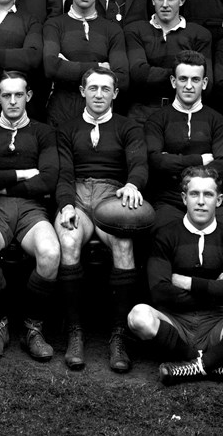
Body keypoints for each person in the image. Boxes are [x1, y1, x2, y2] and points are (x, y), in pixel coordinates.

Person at [127, 166, 223, 385]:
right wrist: (216, 287)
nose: (201, 201)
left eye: (208, 194)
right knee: (138, 316)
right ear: (184, 198)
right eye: (194, 194)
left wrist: (187, 282)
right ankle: (212, 364)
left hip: (218, 324)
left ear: (219, 200)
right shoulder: (165, 235)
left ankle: (193, 367)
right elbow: (160, 293)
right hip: (175, 321)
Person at [55, 68, 150, 373]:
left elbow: (139, 163)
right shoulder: (67, 128)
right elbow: (64, 174)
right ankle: (74, 333)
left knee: (123, 244)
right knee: (68, 240)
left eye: (105, 89)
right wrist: (66, 205)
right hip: (79, 194)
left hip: (113, 195)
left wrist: (133, 184)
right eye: (93, 88)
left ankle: (119, 335)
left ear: (115, 94)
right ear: (82, 91)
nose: (99, 94)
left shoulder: (128, 126)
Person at [0, 71, 60, 361]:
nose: (12, 101)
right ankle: (0, 322)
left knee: (50, 253)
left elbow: (47, 181)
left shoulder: (42, 132)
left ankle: (33, 327)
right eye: (6, 95)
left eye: (18, 95)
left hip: (32, 209)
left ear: (28, 96)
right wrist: (22, 173)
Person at [145, 51, 223, 231]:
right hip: (169, 198)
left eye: (195, 80)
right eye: (183, 79)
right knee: (161, 236)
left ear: (204, 83)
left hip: (212, 199)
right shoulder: (156, 120)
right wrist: (201, 160)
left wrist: (173, 160)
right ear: (174, 82)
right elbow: (155, 162)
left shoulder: (217, 121)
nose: (189, 86)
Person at [43, 0, 129, 128]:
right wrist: (100, 66)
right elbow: (51, 67)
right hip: (62, 110)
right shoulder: (54, 25)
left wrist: (67, 66)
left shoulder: (112, 30)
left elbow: (123, 78)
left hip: (100, 113)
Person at [125, 0, 212, 123]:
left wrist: (152, 73)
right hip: (142, 115)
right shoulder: (135, 30)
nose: (165, 4)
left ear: (182, 0)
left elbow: (207, 84)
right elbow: (138, 74)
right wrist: (185, 76)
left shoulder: (200, 34)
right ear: (153, 0)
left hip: (185, 114)